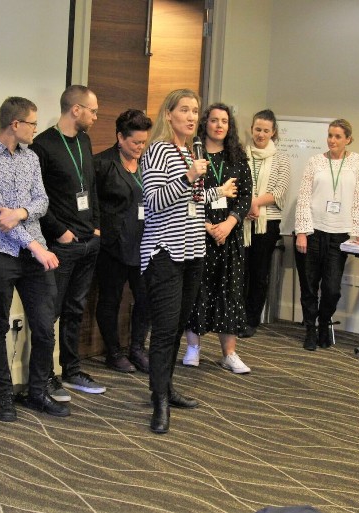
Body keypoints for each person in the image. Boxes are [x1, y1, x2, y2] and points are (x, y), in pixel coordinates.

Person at [140, 89, 236, 434]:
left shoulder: (189, 151)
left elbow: (191, 200)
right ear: (168, 114)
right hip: (165, 252)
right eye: (185, 110)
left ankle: (166, 387)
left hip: (193, 251)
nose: (192, 117)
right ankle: (159, 400)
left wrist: (216, 192)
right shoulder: (158, 150)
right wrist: (189, 177)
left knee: (178, 327)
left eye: (195, 111)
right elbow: (154, 201)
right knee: (165, 331)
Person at [0, 97, 70, 419]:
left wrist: (21, 212)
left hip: (35, 255)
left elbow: (42, 202)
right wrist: (35, 245)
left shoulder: (32, 158)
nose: (36, 129)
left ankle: (37, 392)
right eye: (32, 123)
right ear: (15, 124)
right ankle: (3, 396)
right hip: (1, 253)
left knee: (44, 326)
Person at [31, 85, 105, 401]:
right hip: (60, 244)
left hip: (89, 241)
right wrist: (59, 230)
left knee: (76, 309)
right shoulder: (42, 145)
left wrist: (97, 226)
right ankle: (46, 376)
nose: (96, 116)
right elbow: (36, 197)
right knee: (51, 312)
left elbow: (91, 187)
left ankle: (71, 370)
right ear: (76, 109)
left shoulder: (84, 141)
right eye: (93, 111)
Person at [183, 103, 252, 373]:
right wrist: (208, 226)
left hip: (229, 236)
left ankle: (229, 354)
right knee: (197, 290)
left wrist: (228, 224)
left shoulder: (237, 158)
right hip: (198, 233)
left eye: (224, 121)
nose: (219, 125)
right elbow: (188, 197)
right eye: (214, 120)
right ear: (205, 124)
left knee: (230, 292)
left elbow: (245, 197)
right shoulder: (193, 156)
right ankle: (193, 347)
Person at [294, 119, 359, 351]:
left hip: (340, 235)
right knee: (309, 286)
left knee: (332, 289)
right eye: (330, 135)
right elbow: (304, 197)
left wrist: (358, 234)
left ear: (348, 139)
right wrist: (302, 232)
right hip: (313, 231)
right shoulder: (315, 161)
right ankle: (310, 329)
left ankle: (324, 322)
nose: (332, 140)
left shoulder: (358, 162)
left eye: (337, 136)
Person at [94, 109, 153, 373]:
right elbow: (91, 203)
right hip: (112, 246)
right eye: (135, 142)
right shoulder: (102, 164)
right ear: (120, 137)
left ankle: (137, 348)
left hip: (144, 242)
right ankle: (114, 352)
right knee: (111, 299)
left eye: (143, 142)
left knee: (145, 298)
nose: (140, 147)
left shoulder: (148, 164)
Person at [240, 110, 291, 338]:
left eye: (266, 130)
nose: (261, 134)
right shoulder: (240, 155)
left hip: (266, 224)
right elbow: (234, 184)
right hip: (240, 222)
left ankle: (251, 320)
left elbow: (279, 192)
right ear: (252, 129)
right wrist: (245, 206)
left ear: (273, 133)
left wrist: (254, 203)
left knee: (259, 274)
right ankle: (236, 317)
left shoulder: (281, 159)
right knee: (240, 273)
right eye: (257, 129)